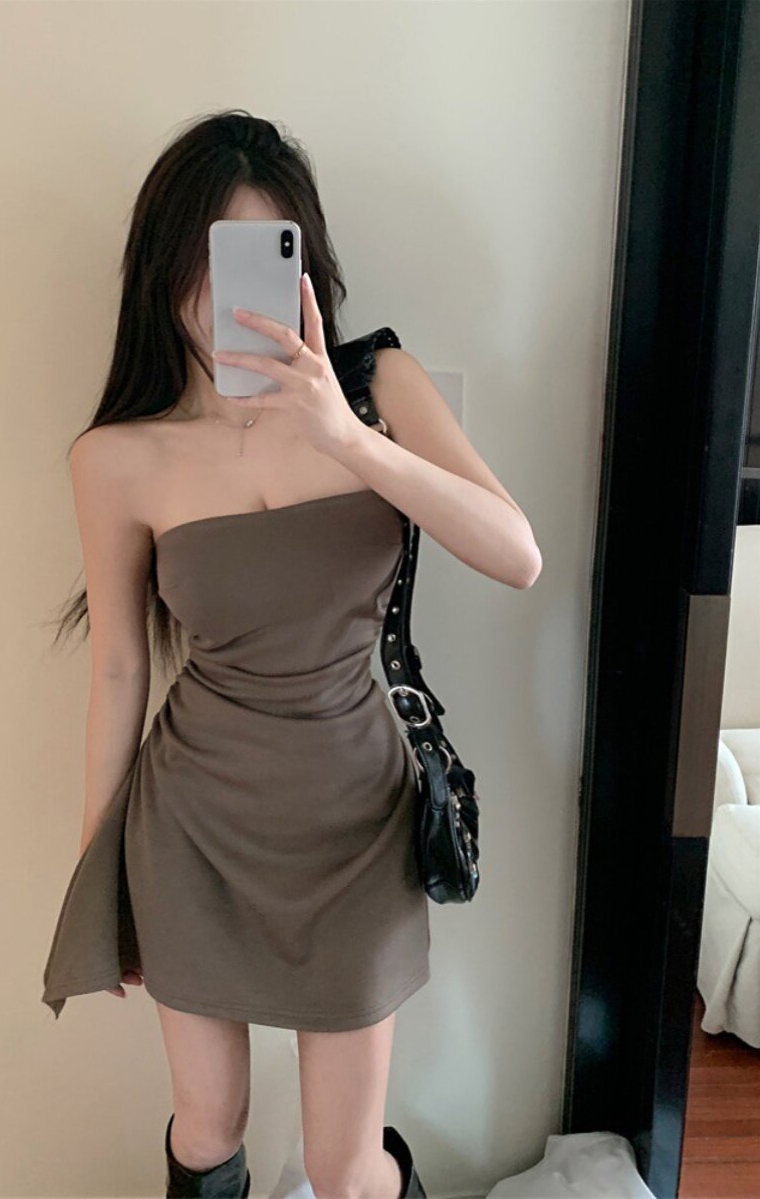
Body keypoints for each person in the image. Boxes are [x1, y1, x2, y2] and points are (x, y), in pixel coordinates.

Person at [41, 109, 542, 1199]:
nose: (226, 294)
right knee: (207, 1126)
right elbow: (120, 669)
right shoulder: (117, 459)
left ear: (303, 264)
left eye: (261, 254)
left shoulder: (380, 389)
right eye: (203, 258)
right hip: (193, 830)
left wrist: (346, 437)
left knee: (342, 1165)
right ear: (160, 271)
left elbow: (518, 555)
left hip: (357, 824)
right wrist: (97, 877)